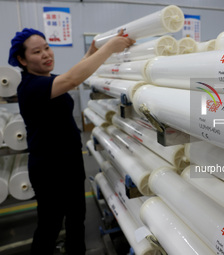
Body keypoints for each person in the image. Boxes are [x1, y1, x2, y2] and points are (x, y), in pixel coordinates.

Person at [8, 28, 134, 255]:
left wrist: (91, 52)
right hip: (49, 168)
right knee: (50, 225)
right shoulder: (30, 87)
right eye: (37, 52)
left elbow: (73, 79)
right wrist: (109, 48)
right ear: (22, 59)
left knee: (77, 219)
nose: (46, 54)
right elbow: (72, 78)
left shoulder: (49, 80)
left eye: (47, 48)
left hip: (70, 162)